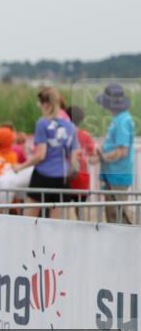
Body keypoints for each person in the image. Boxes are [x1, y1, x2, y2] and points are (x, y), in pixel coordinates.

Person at [13, 86, 80, 219]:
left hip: (43, 176)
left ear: (46, 104)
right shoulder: (70, 126)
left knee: (30, 218)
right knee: (55, 222)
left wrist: (20, 167)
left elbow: (41, 155)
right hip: (62, 177)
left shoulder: (42, 123)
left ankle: (31, 240)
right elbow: (74, 159)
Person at [92, 83, 135, 225]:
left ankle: (123, 246)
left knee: (117, 217)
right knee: (113, 215)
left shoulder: (123, 121)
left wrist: (103, 157)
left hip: (118, 177)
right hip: (113, 176)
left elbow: (122, 151)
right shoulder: (119, 119)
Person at [67, 106, 97, 219]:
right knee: (80, 209)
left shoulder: (64, 133)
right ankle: (81, 231)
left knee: (60, 207)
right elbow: (93, 157)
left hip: (65, 174)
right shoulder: (85, 135)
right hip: (82, 175)